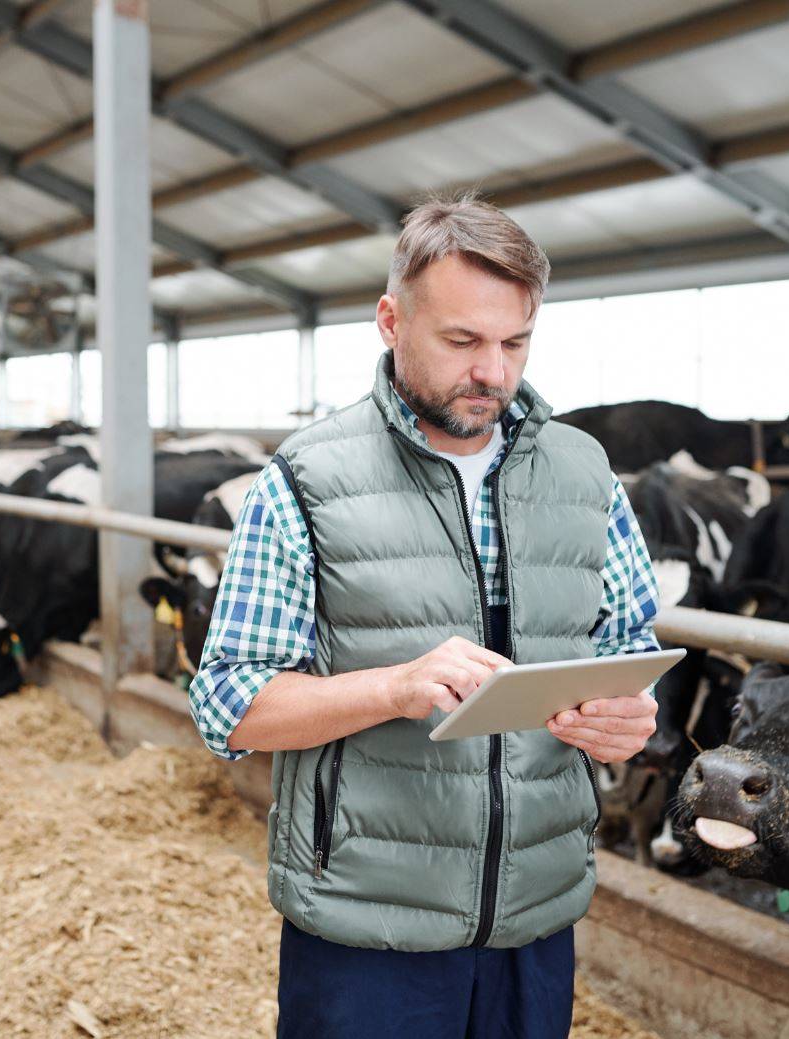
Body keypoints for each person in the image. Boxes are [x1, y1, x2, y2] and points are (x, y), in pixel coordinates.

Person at [186, 193, 662, 1038]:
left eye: (514, 342)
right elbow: (228, 702)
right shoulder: (307, 478)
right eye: (461, 340)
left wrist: (628, 718)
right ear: (389, 320)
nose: (494, 372)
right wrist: (394, 686)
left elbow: (628, 645)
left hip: (536, 915)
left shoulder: (585, 472)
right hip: (370, 926)